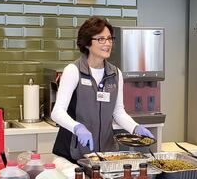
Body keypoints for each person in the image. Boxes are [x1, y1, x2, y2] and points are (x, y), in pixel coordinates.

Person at [51, 16, 154, 162]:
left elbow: (118, 112)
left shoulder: (115, 74)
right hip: (73, 155)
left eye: (109, 38)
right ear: (87, 43)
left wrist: (135, 128)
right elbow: (57, 112)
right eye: (101, 39)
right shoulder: (73, 71)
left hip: (105, 155)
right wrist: (77, 128)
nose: (107, 44)